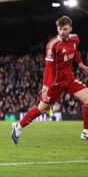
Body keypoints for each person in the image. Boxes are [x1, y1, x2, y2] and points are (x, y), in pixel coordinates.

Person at [12, 16, 88, 144]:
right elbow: (48, 66)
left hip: (69, 79)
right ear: (57, 29)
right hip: (56, 83)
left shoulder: (75, 38)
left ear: (70, 29)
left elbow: (74, 50)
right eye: (60, 29)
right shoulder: (52, 45)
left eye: (65, 29)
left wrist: (80, 64)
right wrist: (46, 85)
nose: (62, 32)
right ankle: (18, 127)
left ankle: (86, 132)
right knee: (41, 109)